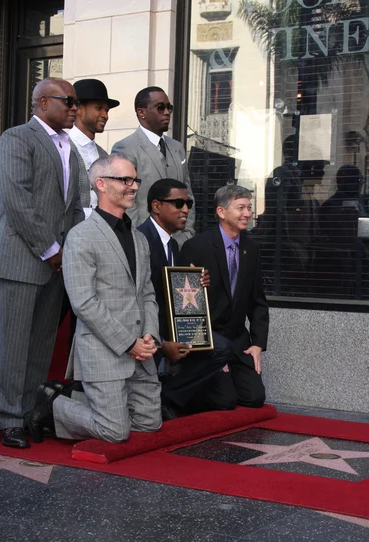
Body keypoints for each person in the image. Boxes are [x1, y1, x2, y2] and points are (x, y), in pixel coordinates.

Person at [26, 155, 162, 444]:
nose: (133, 186)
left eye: (135, 180)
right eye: (125, 180)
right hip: (105, 351)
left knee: (149, 425)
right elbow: (83, 302)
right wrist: (129, 343)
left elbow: (147, 292)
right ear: (101, 184)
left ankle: (77, 396)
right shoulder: (81, 236)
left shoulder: (139, 239)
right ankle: (52, 405)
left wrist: (150, 334)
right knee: (114, 431)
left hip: (142, 352)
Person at [0, 77, 84, 449]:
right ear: (43, 102)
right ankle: (9, 418)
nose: (75, 108)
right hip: (21, 258)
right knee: (14, 344)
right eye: (69, 101)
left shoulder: (71, 149)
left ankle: (29, 412)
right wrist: (50, 249)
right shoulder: (16, 138)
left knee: (42, 343)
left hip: (57, 262)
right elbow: (17, 200)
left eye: (76, 102)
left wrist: (70, 251)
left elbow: (75, 207)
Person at [137, 178, 234, 419]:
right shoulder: (140, 240)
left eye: (188, 203)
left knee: (221, 347)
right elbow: (136, 300)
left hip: (172, 326)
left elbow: (172, 292)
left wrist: (196, 285)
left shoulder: (174, 244)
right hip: (144, 331)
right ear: (156, 206)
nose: (186, 209)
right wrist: (161, 342)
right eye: (178, 203)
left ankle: (168, 395)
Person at [179, 184, 269, 408]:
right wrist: (211, 350)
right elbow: (185, 308)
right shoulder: (196, 247)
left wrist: (258, 344)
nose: (247, 213)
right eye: (241, 208)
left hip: (238, 341)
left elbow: (258, 301)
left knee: (254, 398)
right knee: (225, 401)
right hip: (209, 341)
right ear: (221, 212)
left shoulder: (252, 248)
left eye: (249, 207)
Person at [111, 86, 195, 245]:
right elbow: (124, 199)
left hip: (178, 242)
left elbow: (188, 194)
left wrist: (187, 234)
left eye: (169, 107)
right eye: (160, 107)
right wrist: (139, 238)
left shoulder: (177, 148)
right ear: (141, 112)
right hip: (145, 241)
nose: (167, 112)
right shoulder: (125, 147)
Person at [69, 78, 120, 216]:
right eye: (99, 108)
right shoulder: (62, 148)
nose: (105, 115)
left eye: (107, 110)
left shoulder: (104, 155)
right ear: (79, 108)